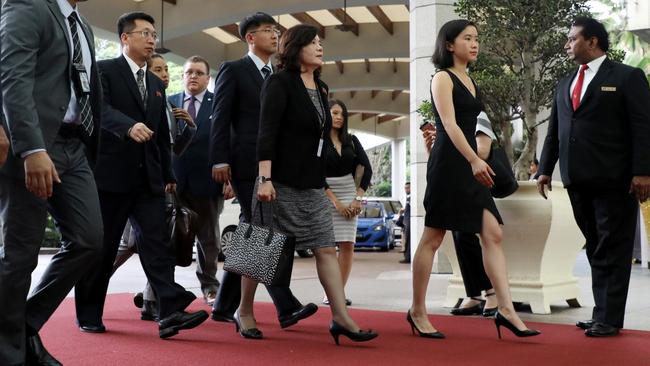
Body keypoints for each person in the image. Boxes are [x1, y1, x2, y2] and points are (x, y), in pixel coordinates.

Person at [74, 11, 208, 339]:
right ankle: (89, 313)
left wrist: (167, 173)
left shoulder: (156, 83)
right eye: (145, 34)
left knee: (157, 244)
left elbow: (162, 134)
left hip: (148, 180)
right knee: (103, 249)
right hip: (110, 177)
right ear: (125, 38)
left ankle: (170, 312)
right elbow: (97, 110)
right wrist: (127, 126)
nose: (152, 40)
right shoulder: (104, 71)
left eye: (153, 34)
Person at [408, 19, 539, 340]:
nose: (475, 43)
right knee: (433, 236)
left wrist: (480, 157)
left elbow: (476, 126)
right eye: (467, 38)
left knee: (492, 233)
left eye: (476, 38)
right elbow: (450, 125)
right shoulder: (443, 77)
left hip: (471, 164)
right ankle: (417, 311)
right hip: (451, 166)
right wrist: (473, 160)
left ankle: (506, 310)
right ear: (449, 45)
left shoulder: (469, 79)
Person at [251, 23, 378, 345]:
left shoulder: (321, 89)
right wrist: (264, 179)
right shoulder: (279, 83)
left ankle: (340, 317)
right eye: (314, 43)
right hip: (278, 183)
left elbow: (320, 140)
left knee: (325, 247)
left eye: (321, 43)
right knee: (259, 252)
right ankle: (243, 311)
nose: (321, 48)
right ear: (296, 48)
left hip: (311, 184)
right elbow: (265, 133)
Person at [1, 0, 103, 364]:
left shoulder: (81, 24)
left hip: (75, 147)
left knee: (90, 240)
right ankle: (11, 354)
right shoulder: (28, 5)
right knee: (18, 255)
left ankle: (20, 327)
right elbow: (13, 76)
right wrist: (30, 149)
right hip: (35, 143)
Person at [538, 16, 650, 337]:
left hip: (615, 180)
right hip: (577, 180)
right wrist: (545, 169)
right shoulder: (565, 82)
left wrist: (643, 171)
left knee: (613, 247)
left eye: (572, 38)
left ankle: (610, 319)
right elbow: (555, 132)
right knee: (595, 247)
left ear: (593, 42)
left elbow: (643, 127)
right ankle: (602, 312)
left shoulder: (628, 77)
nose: (567, 44)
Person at [209, 12, 317, 328]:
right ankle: (284, 305)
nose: (275, 35)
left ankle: (223, 306)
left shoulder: (282, 74)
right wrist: (220, 160)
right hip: (244, 163)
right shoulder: (235, 70)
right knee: (260, 230)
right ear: (250, 37)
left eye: (277, 30)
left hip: (273, 165)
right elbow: (221, 116)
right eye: (268, 30)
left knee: (251, 228)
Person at [111, 53, 197, 321]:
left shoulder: (170, 107)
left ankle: (156, 301)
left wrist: (190, 129)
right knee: (133, 243)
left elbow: (172, 149)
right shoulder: (149, 103)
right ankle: (92, 282)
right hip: (142, 183)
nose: (164, 74)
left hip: (167, 183)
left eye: (166, 70)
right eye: (158, 69)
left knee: (163, 243)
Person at [170, 55, 233, 306]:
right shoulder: (169, 102)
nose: (193, 76)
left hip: (207, 182)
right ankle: (160, 287)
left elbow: (228, 142)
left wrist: (230, 179)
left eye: (198, 72)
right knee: (169, 235)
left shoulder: (218, 103)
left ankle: (210, 286)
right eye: (189, 72)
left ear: (208, 78)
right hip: (173, 182)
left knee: (208, 238)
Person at [445, 111, 498, 317]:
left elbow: (483, 152)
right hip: (458, 183)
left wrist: (455, 147)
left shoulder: (478, 115)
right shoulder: (449, 120)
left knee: (484, 237)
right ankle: (475, 294)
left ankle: (492, 293)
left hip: (477, 183)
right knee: (461, 236)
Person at [322, 99, 373, 306]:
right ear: (327, 114)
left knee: (347, 246)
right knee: (326, 248)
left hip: (350, 194)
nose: (339, 117)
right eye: (334, 113)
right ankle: (329, 292)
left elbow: (367, 169)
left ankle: (338, 293)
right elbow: (315, 174)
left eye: (342, 114)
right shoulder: (319, 141)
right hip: (325, 195)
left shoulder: (352, 140)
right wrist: (335, 203)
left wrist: (357, 198)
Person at [397, 182, 411, 264]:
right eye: (405, 188)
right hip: (406, 222)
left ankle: (407, 258)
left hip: (409, 222)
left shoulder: (411, 197)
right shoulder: (408, 197)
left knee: (408, 240)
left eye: (408, 187)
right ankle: (407, 257)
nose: (406, 189)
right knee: (407, 240)